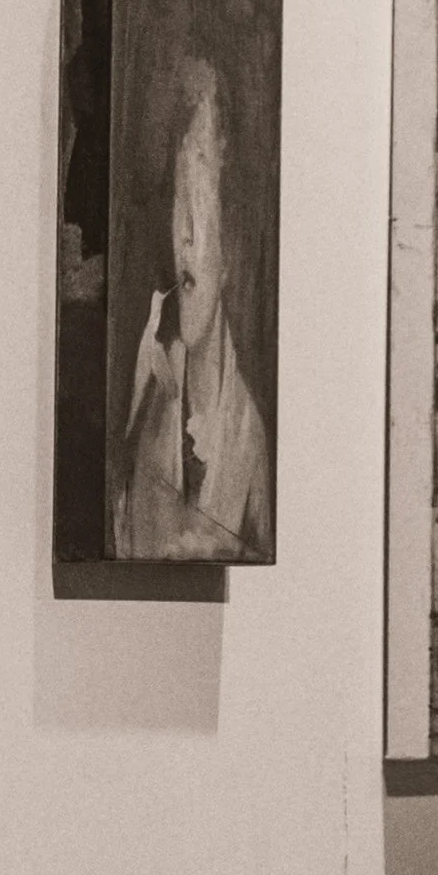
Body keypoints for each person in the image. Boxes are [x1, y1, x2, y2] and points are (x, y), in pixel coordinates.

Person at [115, 57, 273, 559]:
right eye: (179, 197)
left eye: (202, 198)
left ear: (231, 247)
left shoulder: (248, 438)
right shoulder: (145, 398)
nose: (186, 235)